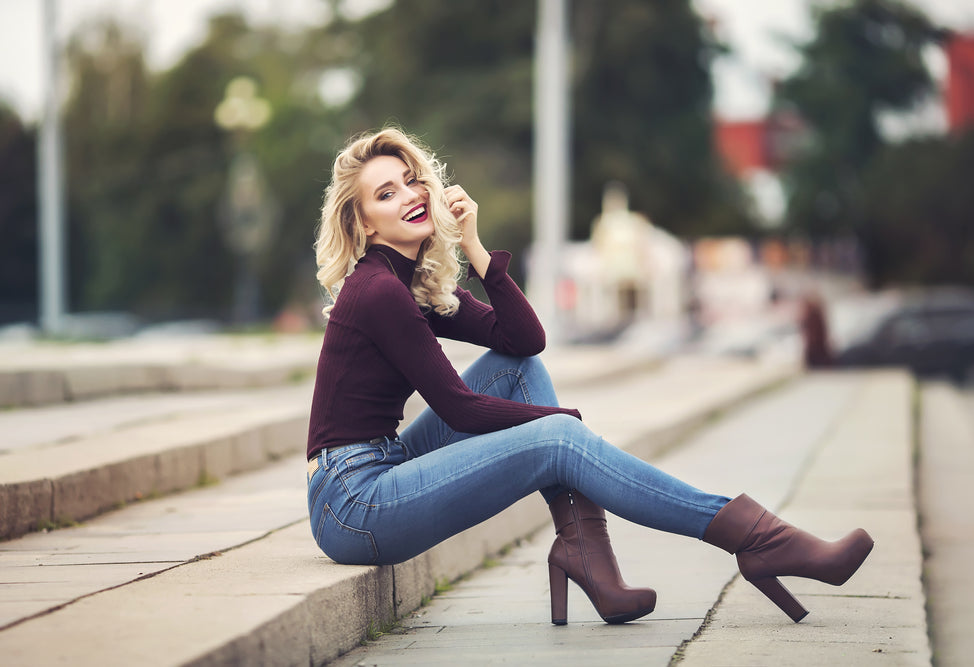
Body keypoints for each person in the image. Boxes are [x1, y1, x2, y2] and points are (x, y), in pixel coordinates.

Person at [306, 127, 873, 625]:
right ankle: (757, 538)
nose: (410, 196)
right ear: (362, 222)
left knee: (519, 371)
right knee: (557, 436)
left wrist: (474, 246)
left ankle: (588, 555)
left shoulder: (410, 283)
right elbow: (460, 409)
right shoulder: (378, 290)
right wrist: (558, 425)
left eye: (411, 181)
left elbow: (524, 342)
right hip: (353, 504)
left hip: (384, 465)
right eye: (387, 193)